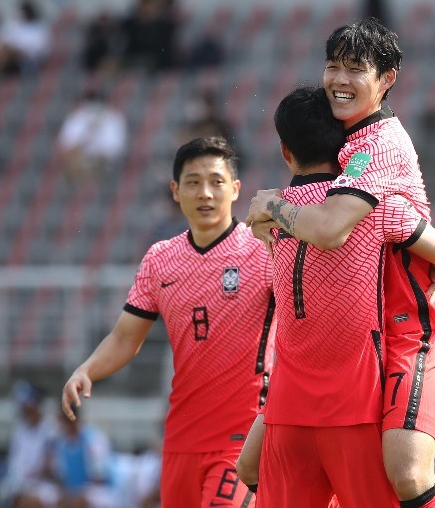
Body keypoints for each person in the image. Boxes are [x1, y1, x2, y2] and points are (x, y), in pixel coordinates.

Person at [246, 18, 435, 508]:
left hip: (403, 331)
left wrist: (272, 205)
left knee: (406, 473)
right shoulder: (342, 145)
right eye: (332, 66)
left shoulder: (377, 144)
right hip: (343, 344)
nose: (339, 80)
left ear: (387, 79)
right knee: (252, 464)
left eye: (355, 69)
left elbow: (328, 229)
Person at [62, 136, 276, 508]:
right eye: (193, 182)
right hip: (181, 439)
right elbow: (127, 337)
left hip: (244, 437)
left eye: (216, 181)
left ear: (236, 189)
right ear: (175, 191)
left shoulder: (264, 250)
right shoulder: (160, 258)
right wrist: (88, 369)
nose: (205, 193)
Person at [0, 381, 58, 508]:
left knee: (27, 501)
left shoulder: (51, 430)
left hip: (46, 486)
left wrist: (30, 481)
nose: (26, 410)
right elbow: (14, 464)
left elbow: (49, 468)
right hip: (21, 485)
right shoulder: (19, 430)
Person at [56, 87, 128, 182]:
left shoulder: (114, 119)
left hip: (104, 166)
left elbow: (114, 152)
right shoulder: (76, 117)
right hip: (78, 162)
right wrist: (87, 135)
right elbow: (66, 149)